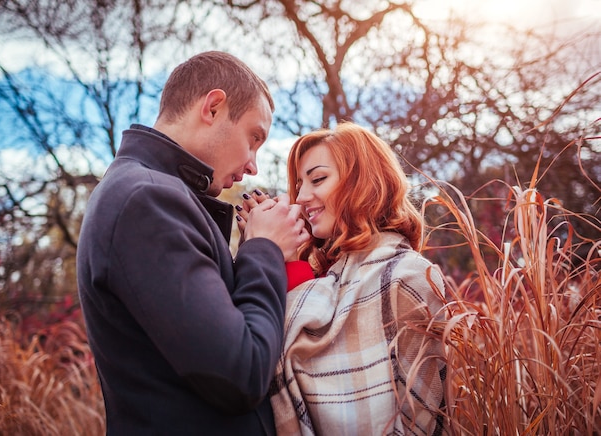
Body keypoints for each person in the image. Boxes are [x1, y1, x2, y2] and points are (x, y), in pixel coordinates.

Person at [76, 51, 309, 435]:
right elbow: (241, 371)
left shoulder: (150, 195)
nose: (254, 165)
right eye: (254, 138)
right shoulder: (145, 200)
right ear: (213, 107)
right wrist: (263, 247)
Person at [238, 122, 448, 435]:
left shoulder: (408, 276)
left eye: (318, 179)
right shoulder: (325, 276)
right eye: (299, 184)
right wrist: (272, 254)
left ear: (363, 181)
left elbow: (413, 414)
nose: (302, 196)